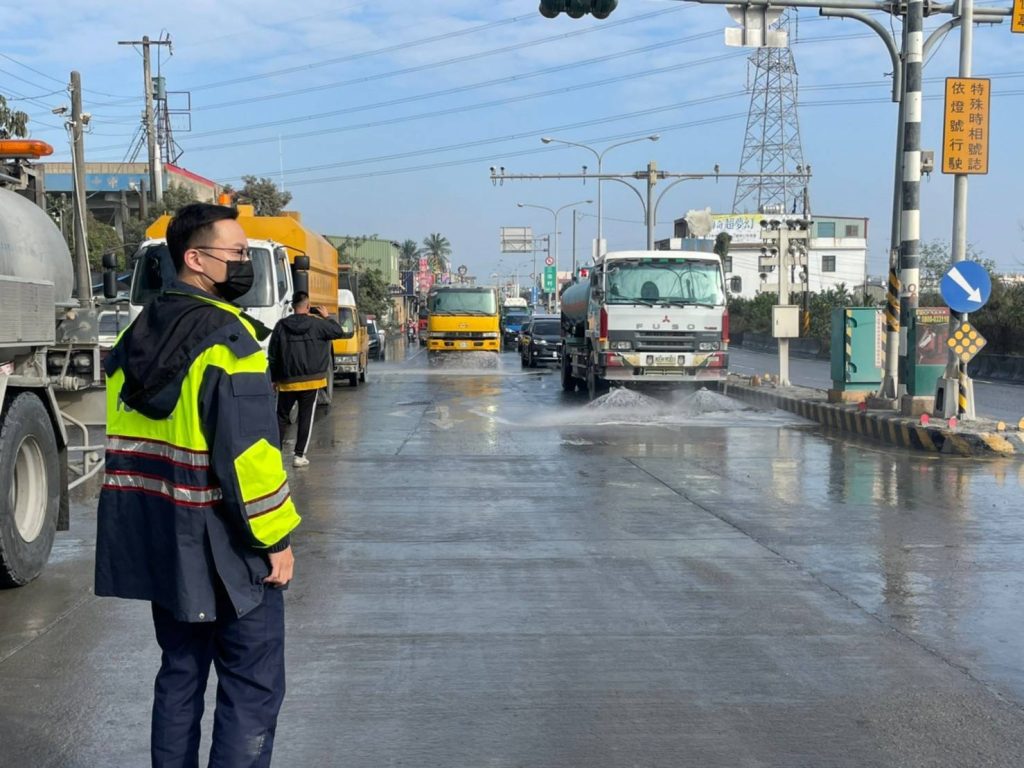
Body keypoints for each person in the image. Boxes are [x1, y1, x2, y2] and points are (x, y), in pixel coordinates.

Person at [95, 202, 301, 768]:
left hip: (164, 541)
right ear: (195, 258)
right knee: (251, 686)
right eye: (235, 254)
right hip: (228, 548)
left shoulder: (134, 339)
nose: (243, 264)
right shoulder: (229, 342)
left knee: (180, 675)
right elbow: (251, 460)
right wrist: (276, 542)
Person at [268, 291, 346, 467]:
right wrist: (327, 317)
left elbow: (273, 354)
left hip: (287, 381)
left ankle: (274, 454)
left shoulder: (281, 326)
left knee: (280, 416)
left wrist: (274, 378)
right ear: (308, 306)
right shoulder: (317, 324)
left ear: (292, 306)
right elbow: (338, 332)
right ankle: (299, 455)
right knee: (305, 417)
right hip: (311, 380)